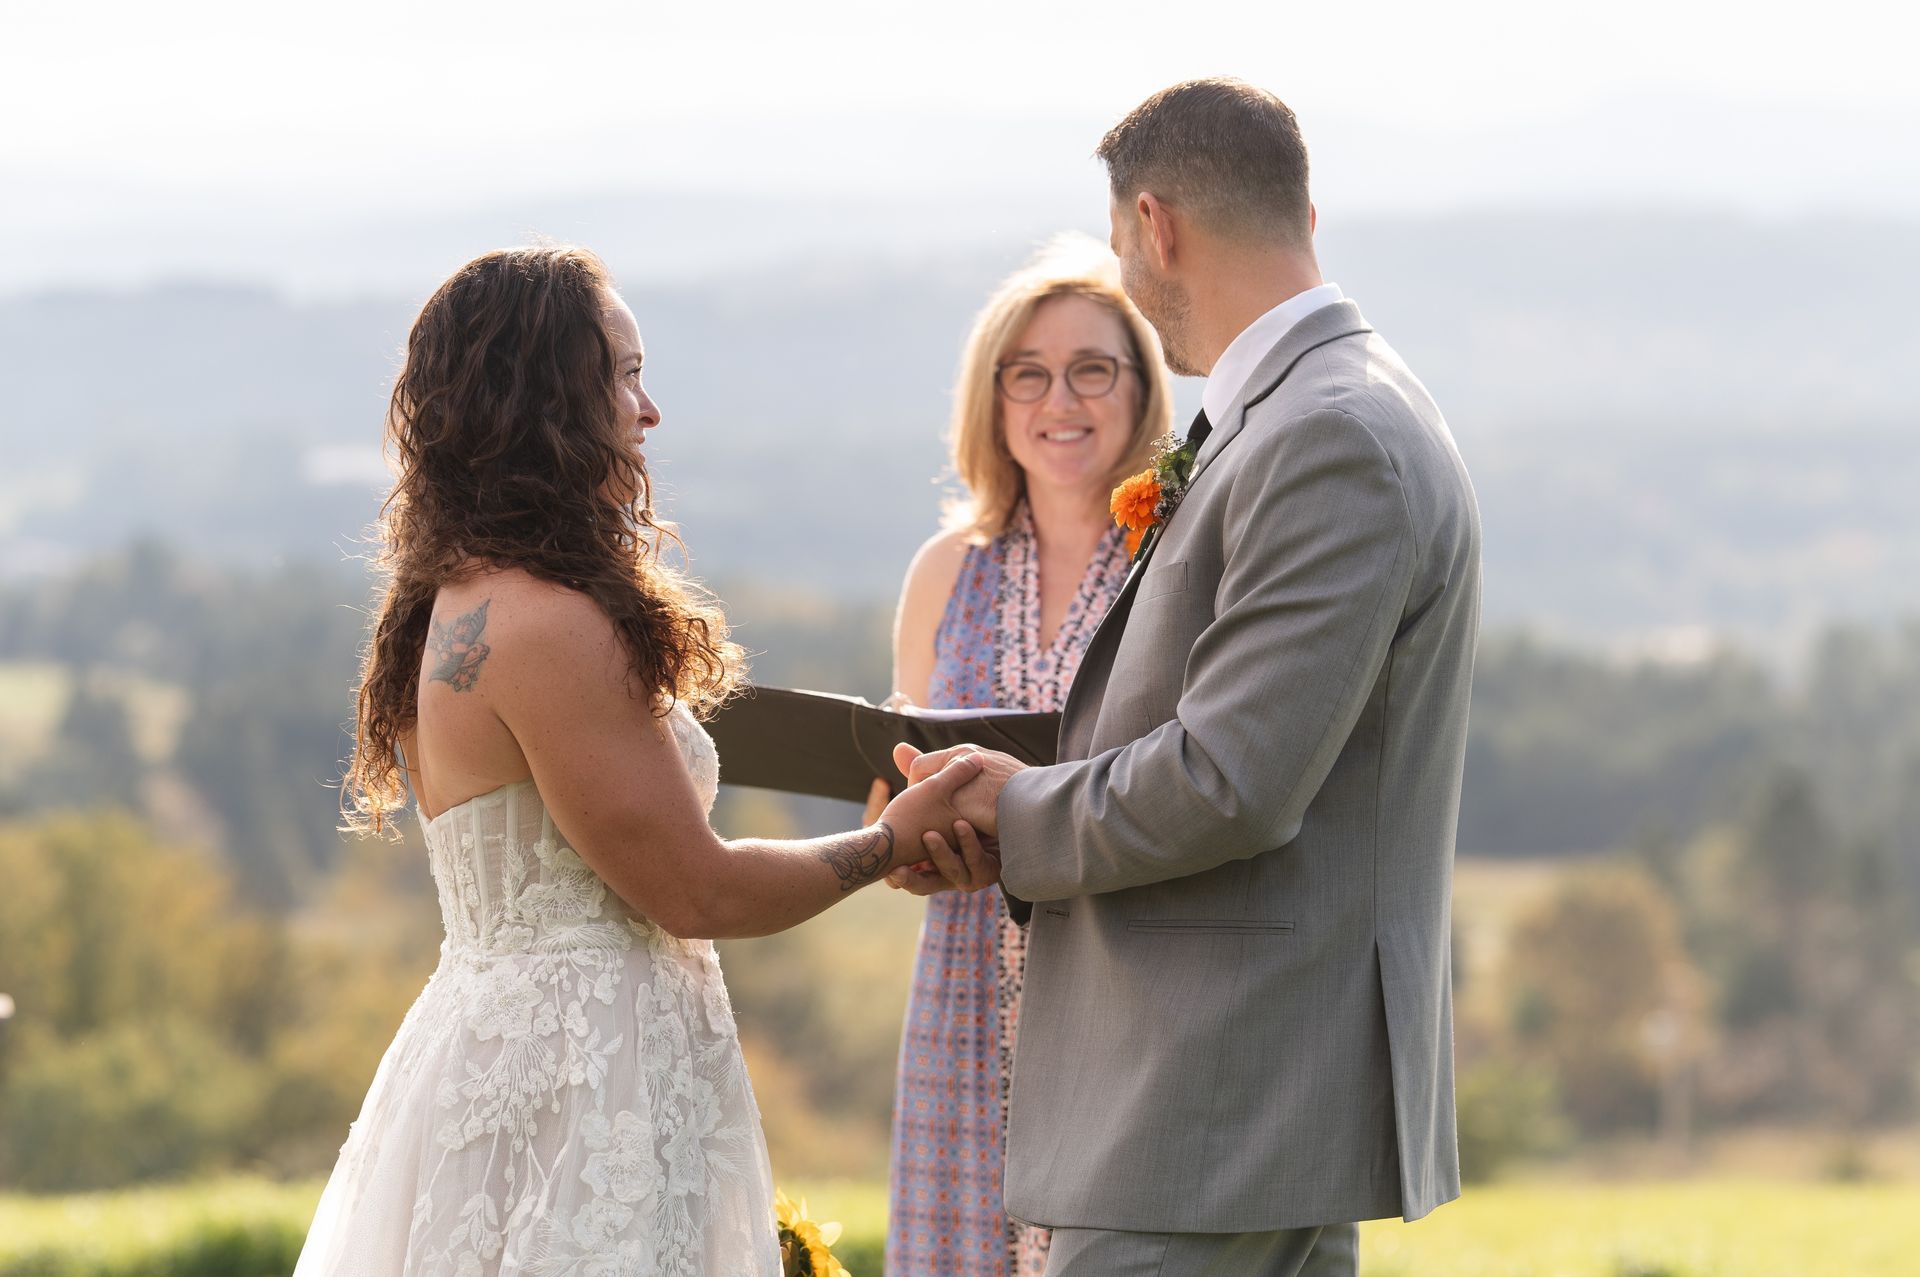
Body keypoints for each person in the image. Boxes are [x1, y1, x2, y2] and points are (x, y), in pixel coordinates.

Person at [293, 245, 995, 1277]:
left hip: (508, 1058)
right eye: (622, 373)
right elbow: (694, 886)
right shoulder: (550, 623)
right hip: (582, 1087)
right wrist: (893, 836)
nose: (648, 408)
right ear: (547, 399)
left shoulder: (460, 602)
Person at [892, 79, 1482, 1276]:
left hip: (1208, 1104)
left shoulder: (1329, 436)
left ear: (1155, 226)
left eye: (1121, 244)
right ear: (1302, 207)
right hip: (1237, 1110)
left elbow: (1232, 777)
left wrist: (1012, 806)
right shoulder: (1312, 409)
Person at [877, 237, 1173, 1277]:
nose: (1063, 399)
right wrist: (899, 836)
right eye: (1030, 373)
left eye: (1094, 367)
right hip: (963, 975)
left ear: (1142, 387)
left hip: (1118, 973)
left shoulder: (1175, 557)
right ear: (993, 398)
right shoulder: (944, 569)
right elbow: (897, 774)